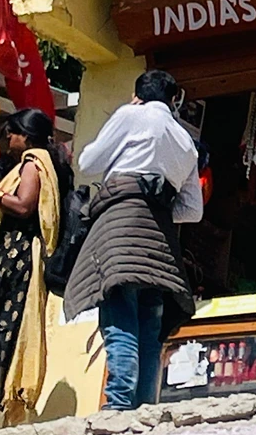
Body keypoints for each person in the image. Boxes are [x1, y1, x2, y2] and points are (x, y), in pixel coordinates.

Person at [66, 69, 202, 411]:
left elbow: (88, 162)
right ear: (174, 100)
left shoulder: (131, 115)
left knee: (120, 316)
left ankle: (118, 404)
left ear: (137, 95)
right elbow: (192, 210)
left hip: (119, 228)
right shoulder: (185, 141)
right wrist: (156, 205)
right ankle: (144, 407)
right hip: (160, 242)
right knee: (149, 325)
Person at [0, 108, 68, 429]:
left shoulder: (33, 163)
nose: (8, 137)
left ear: (27, 136)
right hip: (9, 258)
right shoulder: (38, 163)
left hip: (13, 260)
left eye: (12, 132)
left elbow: (23, 206)